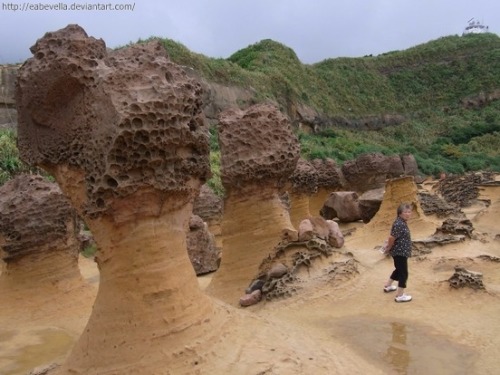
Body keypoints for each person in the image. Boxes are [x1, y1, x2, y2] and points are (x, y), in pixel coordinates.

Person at [382, 203, 413, 302]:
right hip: (400, 252)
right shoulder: (399, 224)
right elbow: (392, 238)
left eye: (409, 212)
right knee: (404, 273)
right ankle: (400, 295)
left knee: (399, 270)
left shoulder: (401, 222)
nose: (408, 214)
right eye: (405, 212)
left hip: (400, 251)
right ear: (400, 213)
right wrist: (388, 248)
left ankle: (388, 286)